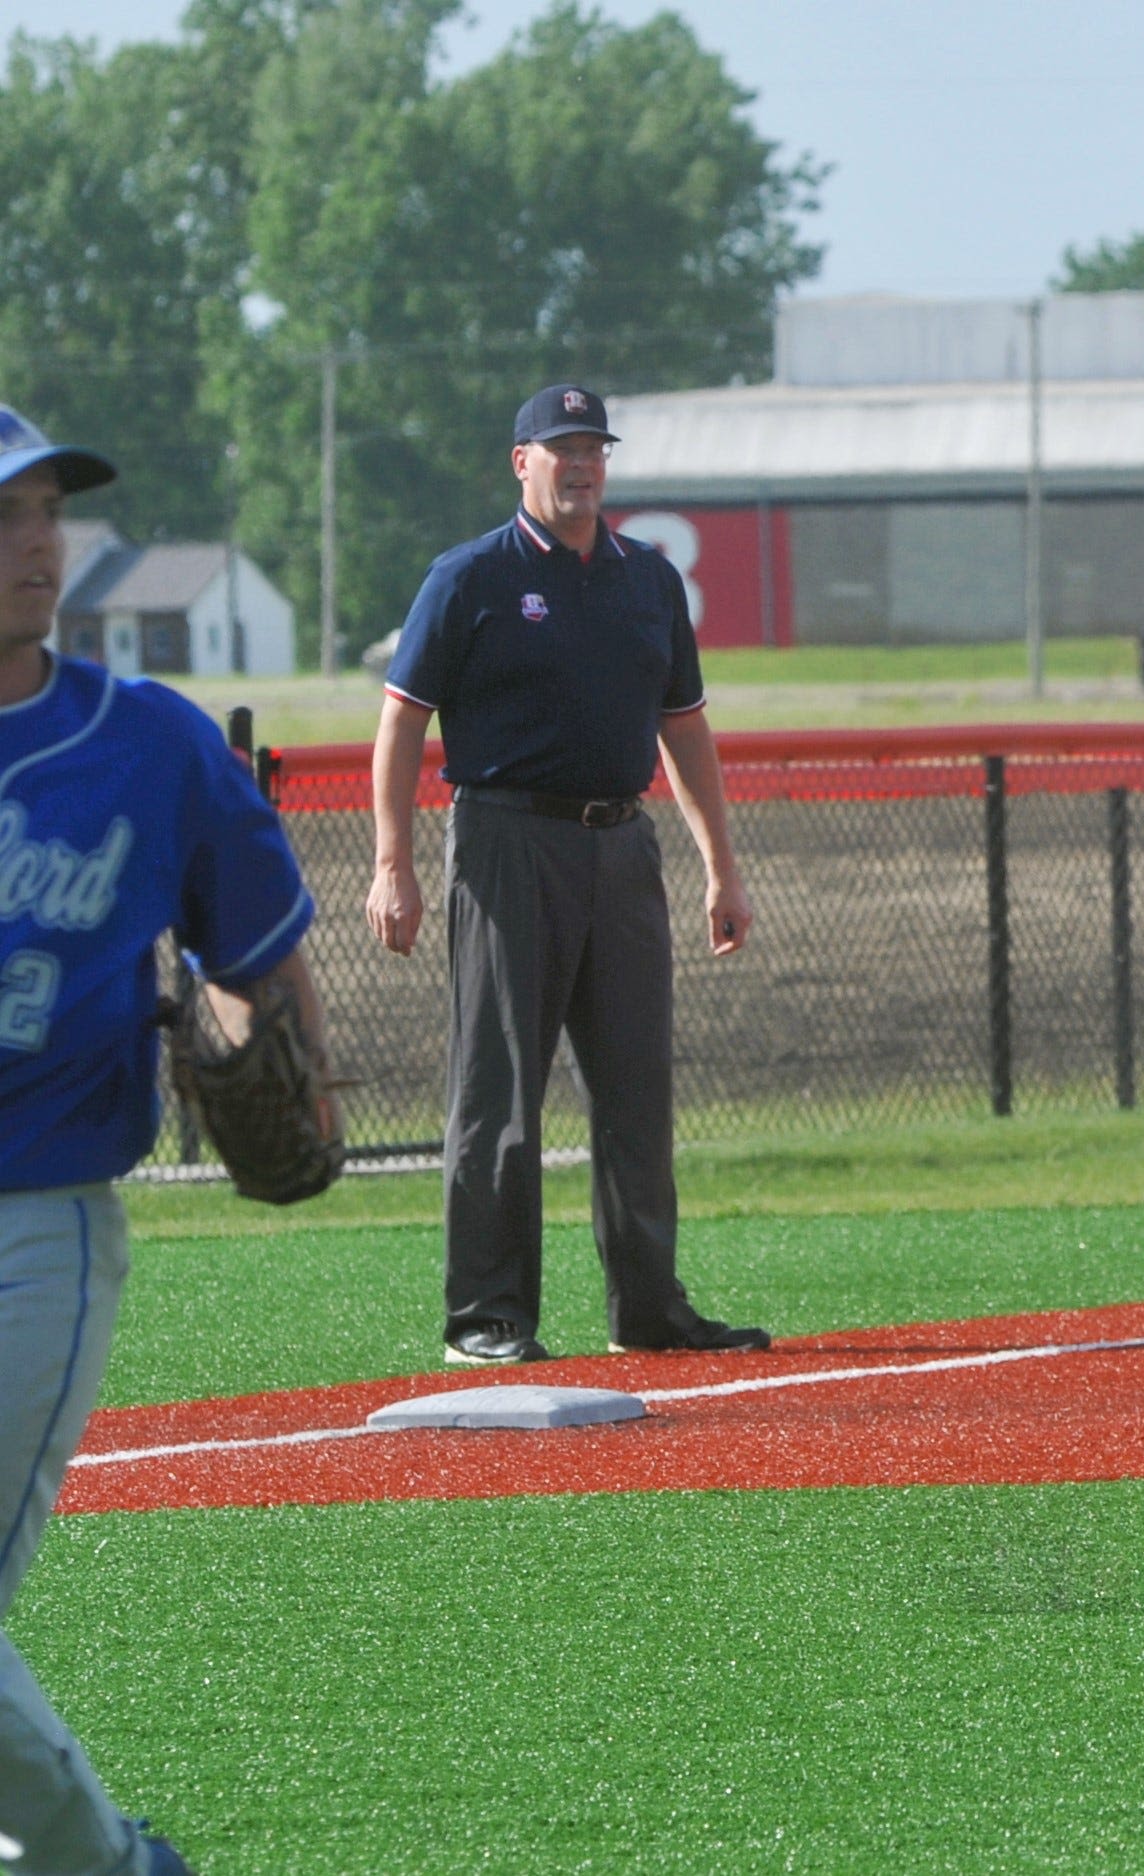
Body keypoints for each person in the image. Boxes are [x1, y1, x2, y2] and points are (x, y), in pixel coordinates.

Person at [0, 407, 323, 1876]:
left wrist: (286, 1078)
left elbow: (258, 950)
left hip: (39, 1229)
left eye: (42, 513)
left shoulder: (151, 744)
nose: (31, 544)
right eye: (3, 517)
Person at [366, 385, 769, 1365]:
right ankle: (488, 1315)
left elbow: (684, 728)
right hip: (509, 841)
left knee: (636, 1089)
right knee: (499, 1090)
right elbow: (401, 717)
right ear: (522, 463)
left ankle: (649, 1308)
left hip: (621, 845)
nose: (580, 463)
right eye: (560, 448)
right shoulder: (471, 577)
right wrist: (392, 864)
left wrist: (721, 864)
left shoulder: (648, 581)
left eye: (593, 447)